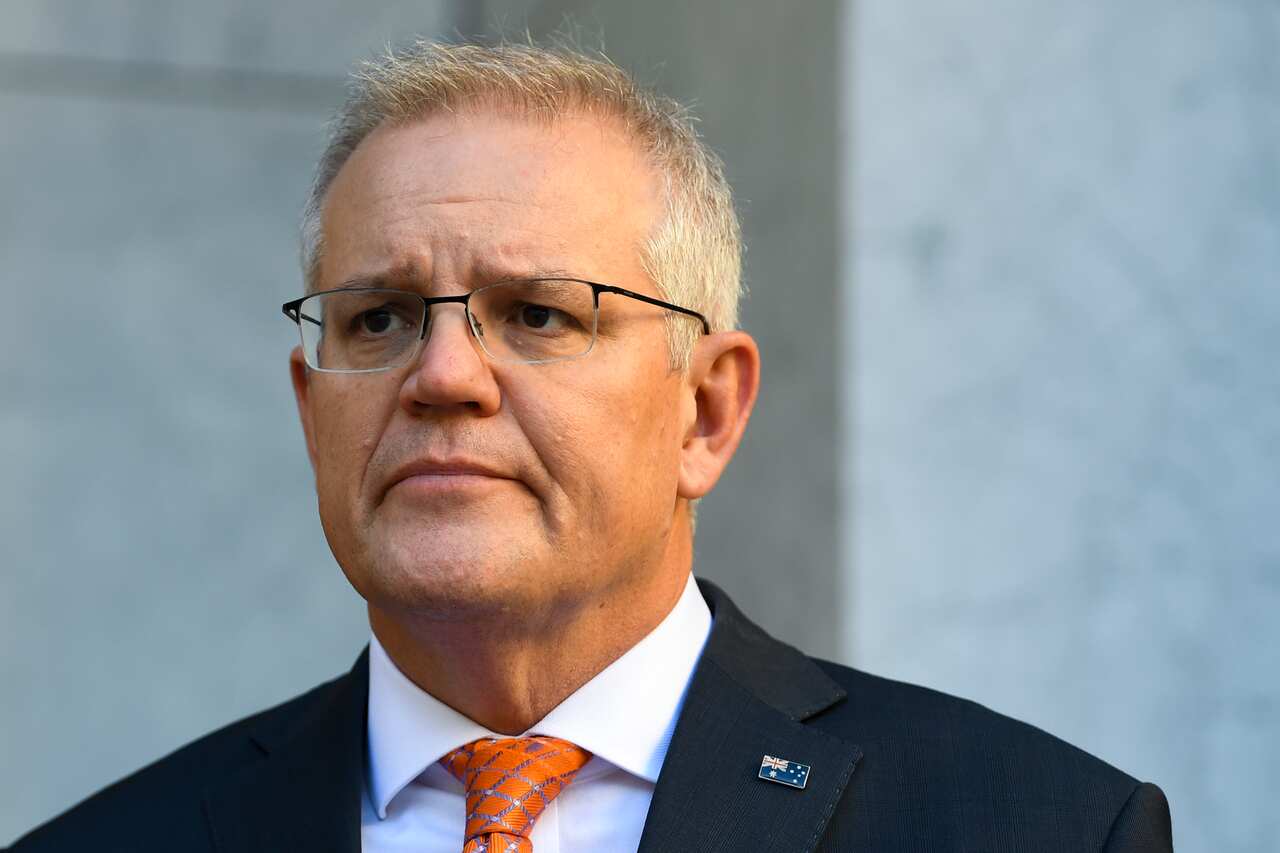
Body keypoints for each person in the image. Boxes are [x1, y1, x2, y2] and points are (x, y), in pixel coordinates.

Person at [7, 41, 1172, 853]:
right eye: (380, 319)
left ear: (704, 411)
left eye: (537, 314)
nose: (444, 375)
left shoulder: (1038, 829)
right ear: (314, 413)